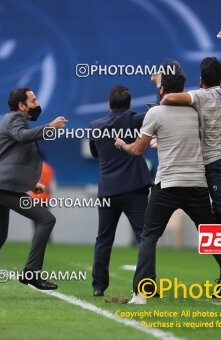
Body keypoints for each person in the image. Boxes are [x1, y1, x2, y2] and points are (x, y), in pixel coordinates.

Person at [114, 62, 221, 305]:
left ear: (164, 89)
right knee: (212, 234)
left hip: (168, 183)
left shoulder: (155, 113)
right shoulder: (197, 109)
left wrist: (122, 144)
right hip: (196, 182)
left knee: (149, 236)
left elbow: (137, 150)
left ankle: (141, 293)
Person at [0, 87, 67, 297]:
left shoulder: (10, 121)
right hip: (2, 188)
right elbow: (22, 137)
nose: (37, 103)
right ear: (22, 106)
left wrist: (30, 185)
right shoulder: (15, 120)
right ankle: (31, 272)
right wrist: (49, 127)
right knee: (46, 219)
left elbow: (6, 159)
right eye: (33, 100)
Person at [161, 29, 221, 239]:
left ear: (201, 79)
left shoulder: (199, 96)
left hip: (216, 167)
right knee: (215, 221)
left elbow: (170, 99)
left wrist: (164, 94)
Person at [89, 85, 153, 297]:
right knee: (144, 237)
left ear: (109, 104)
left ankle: (98, 286)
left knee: (103, 239)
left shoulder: (95, 126)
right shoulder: (136, 120)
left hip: (108, 190)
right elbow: (160, 110)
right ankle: (147, 285)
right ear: (129, 105)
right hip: (134, 188)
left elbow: (95, 153)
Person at [30, 153, 56, 242]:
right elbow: (52, 185)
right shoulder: (49, 168)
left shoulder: (34, 168)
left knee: (35, 219)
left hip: (36, 198)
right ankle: (47, 239)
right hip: (46, 198)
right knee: (46, 219)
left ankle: (37, 238)